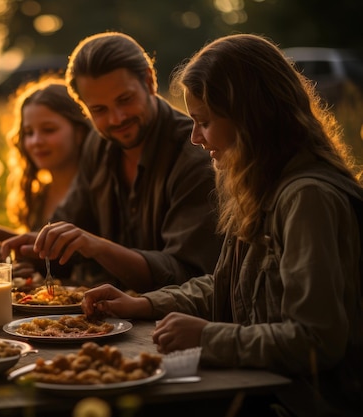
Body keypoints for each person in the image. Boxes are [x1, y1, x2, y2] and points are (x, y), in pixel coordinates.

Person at [81, 33, 363, 416]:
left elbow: (314, 340)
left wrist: (208, 336)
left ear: (252, 117)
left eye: (205, 122)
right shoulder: (259, 185)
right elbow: (227, 285)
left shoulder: (307, 198)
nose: (196, 137)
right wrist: (143, 303)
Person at [1, 32, 222, 292]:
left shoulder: (197, 156)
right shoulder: (99, 144)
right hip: (103, 316)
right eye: (99, 110)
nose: (116, 119)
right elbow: (71, 226)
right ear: (83, 107)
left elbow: (188, 275)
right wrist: (36, 249)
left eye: (124, 100)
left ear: (149, 81)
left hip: (172, 323)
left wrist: (96, 246)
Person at [0, 77, 91, 243]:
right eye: (29, 133)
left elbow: (73, 259)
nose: (36, 141)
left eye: (48, 130)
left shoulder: (93, 193)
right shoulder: (39, 194)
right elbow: (42, 261)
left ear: (79, 133)